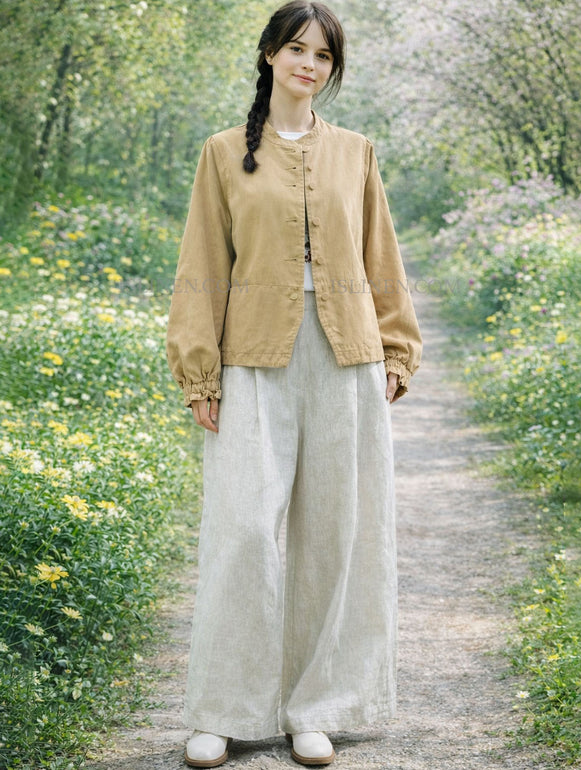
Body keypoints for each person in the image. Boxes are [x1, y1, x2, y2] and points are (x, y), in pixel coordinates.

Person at [165, 1, 422, 766]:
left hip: (348, 354)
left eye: (324, 56)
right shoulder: (221, 154)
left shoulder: (356, 153)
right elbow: (202, 267)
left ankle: (318, 705)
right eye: (297, 49)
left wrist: (397, 351)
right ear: (270, 54)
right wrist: (198, 369)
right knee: (243, 531)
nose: (309, 64)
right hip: (251, 357)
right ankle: (224, 709)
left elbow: (383, 258)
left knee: (337, 535)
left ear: (331, 70)